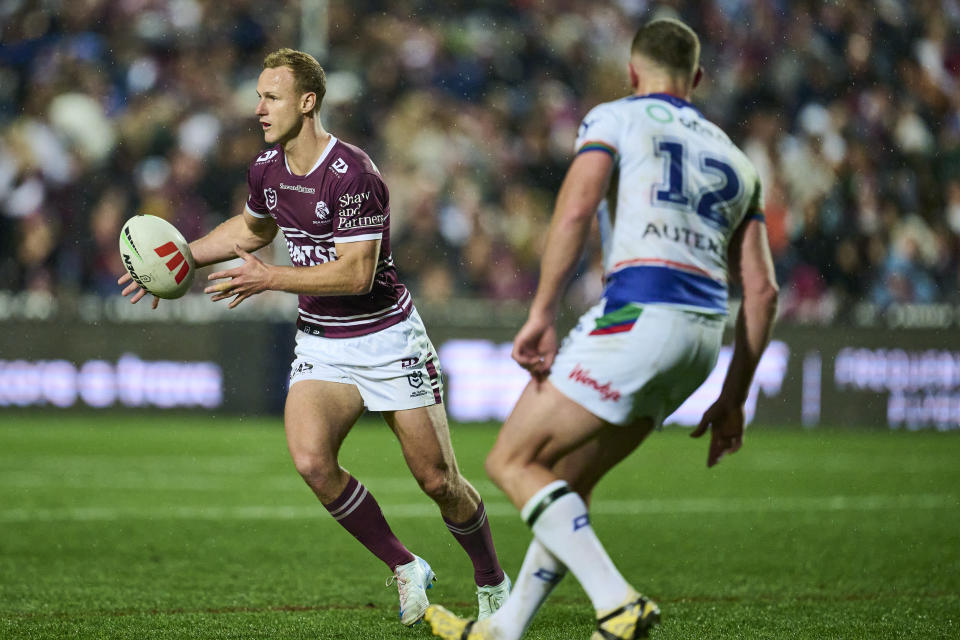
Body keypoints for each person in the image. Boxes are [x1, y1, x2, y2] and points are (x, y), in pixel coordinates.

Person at [117, 48, 510, 627]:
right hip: (323, 340)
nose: (259, 109)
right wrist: (178, 261)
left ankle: (493, 581)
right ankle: (406, 566)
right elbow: (250, 229)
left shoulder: (353, 175)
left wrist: (270, 277)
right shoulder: (267, 169)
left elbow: (357, 274)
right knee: (311, 460)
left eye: (270, 97)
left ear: (308, 102)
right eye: (257, 96)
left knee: (438, 481)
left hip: (386, 338)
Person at [424, 18, 778, 640]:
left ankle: (618, 603)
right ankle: (505, 629)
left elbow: (579, 205)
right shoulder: (737, 158)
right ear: (695, 78)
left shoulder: (616, 117)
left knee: (512, 460)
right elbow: (764, 291)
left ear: (634, 72)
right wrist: (733, 396)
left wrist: (541, 312)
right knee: (568, 483)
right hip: (701, 338)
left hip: (639, 313)